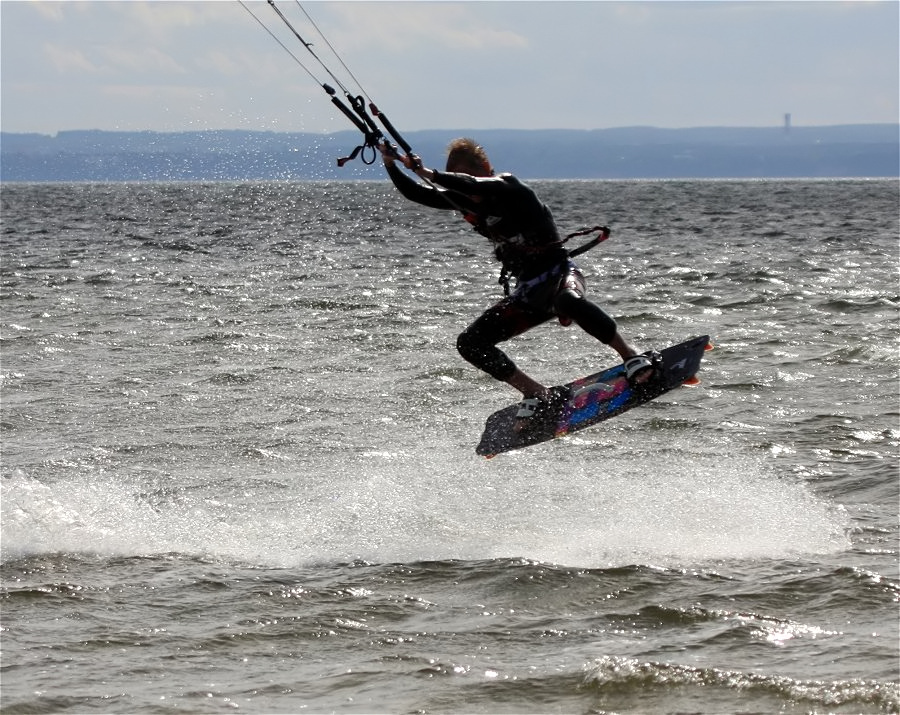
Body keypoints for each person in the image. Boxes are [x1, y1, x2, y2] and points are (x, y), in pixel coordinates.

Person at [379, 137, 658, 426]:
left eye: (465, 176)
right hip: (529, 293)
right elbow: (416, 194)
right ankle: (536, 393)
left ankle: (631, 355)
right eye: (455, 180)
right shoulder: (464, 201)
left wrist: (431, 174)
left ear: (485, 169)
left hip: (559, 275)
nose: (460, 185)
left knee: (567, 300)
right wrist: (390, 162)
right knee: (471, 343)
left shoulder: (510, 187)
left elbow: (472, 184)